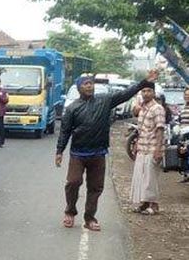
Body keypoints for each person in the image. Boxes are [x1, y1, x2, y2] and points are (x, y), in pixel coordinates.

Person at [56, 72, 156, 231]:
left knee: (95, 188)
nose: (89, 86)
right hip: (78, 154)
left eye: (91, 83)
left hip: (98, 153)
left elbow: (125, 94)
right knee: (73, 182)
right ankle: (70, 211)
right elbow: (65, 131)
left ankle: (89, 218)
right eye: (85, 84)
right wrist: (59, 151)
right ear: (79, 87)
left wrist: (143, 82)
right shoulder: (72, 108)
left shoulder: (104, 100)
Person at [130, 83, 166, 215]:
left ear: (153, 93)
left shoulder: (158, 108)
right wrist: (136, 145)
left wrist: (158, 150)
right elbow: (140, 129)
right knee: (141, 177)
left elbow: (160, 129)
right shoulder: (143, 108)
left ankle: (154, 205)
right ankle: (144, 204)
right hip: (142, 147)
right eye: (143, 91)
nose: (146, 93)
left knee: (151, 179)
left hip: (152, 148)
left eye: (148, 91)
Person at [178, 88, 189, 182]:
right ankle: (185, 175)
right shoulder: (183, 107)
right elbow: (180, 120)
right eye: (186, 95)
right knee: (183, 154)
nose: (187, 96)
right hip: (183, 134)